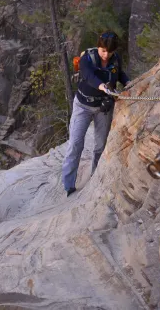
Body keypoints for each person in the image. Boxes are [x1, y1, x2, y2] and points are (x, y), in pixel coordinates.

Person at [62, 31, 130, 197]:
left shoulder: (115, 59)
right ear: (98, 47)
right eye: (103, 51)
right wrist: (102, 86)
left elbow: (119, 73)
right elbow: (88, 76)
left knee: (100, 145)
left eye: (110, 52)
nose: (106, 55)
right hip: (83, 106)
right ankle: (68, 184)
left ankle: (95, 177)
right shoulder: (88, 58)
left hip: (103, 107)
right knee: (76, 144)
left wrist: (128, 82)